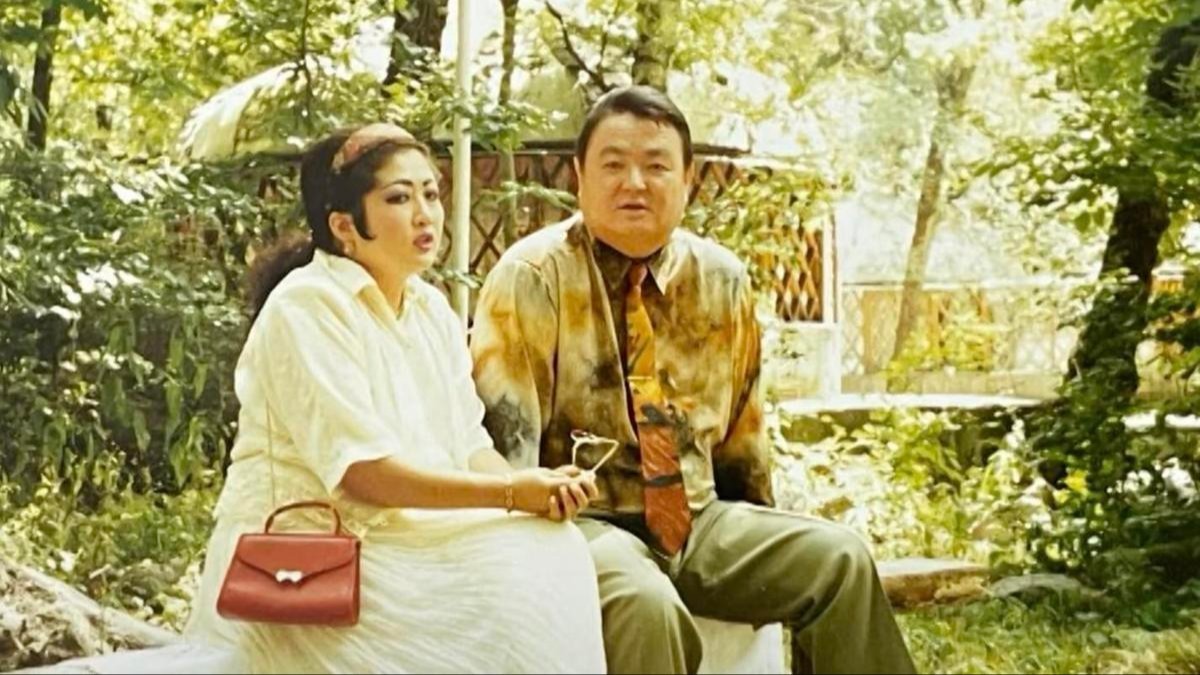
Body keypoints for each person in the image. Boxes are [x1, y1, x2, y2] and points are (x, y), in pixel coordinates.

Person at [470, 87, 917, 674]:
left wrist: (756, 536)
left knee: (841, 560)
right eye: (613, 164)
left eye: (656, 166)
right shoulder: (532, 277)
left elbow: (742, 446)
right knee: (647, 605)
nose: (634, 183)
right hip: (584, 526)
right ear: (579, 177)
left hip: (698, 520)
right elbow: (505, 457)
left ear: (686, 181)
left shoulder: (721, 279)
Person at [185, 123, 607, 674]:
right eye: (399, 198)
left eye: (430, 193)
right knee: (517, 577)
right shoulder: (307, 306)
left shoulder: (431, 311)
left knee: (551, 547)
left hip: (402, 540)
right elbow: (363, 473)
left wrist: (536, 490)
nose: (425, 214)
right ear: (343, 226)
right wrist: (509, 494)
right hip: (309, 562)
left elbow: (468, 444)